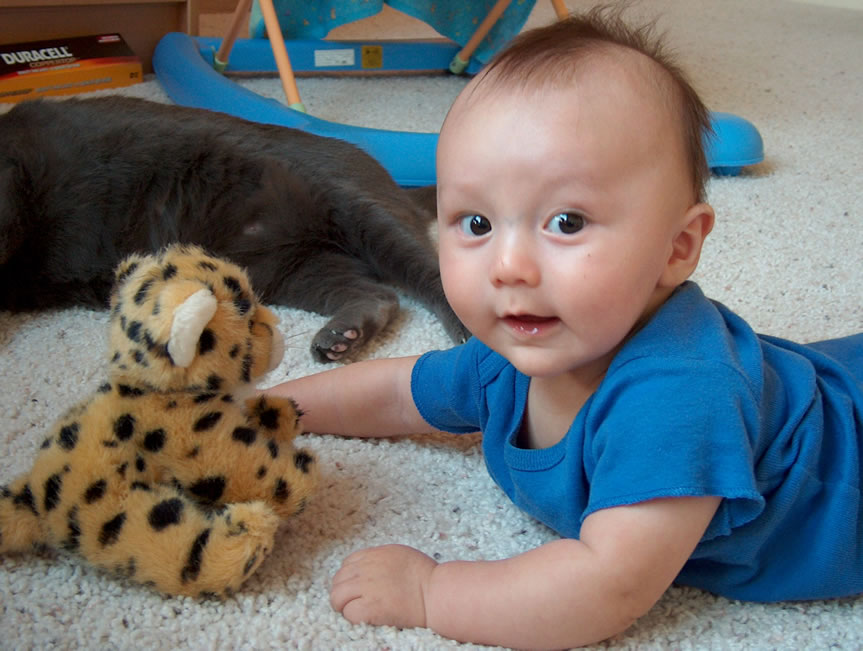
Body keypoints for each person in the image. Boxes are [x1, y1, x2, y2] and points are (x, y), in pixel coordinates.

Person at [265, 7, 863, 649]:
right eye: (476, 224)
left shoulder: (679, 399)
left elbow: (607, 586)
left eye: (567, 222)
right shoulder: (518, 349)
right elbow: (395, 393)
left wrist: (431, 592)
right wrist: (267, 410)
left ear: (677, 247)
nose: (510, 266)